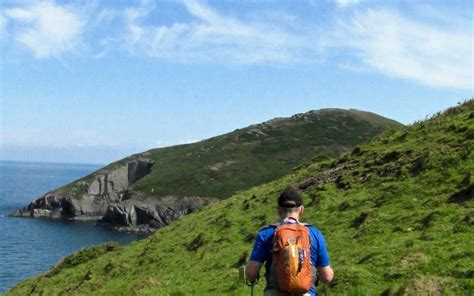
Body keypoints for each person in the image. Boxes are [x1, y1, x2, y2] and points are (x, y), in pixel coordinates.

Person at [246, 188, 334, 296]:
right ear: (301, 210)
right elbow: (327, 277)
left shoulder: (266, 234)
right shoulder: (315, 234)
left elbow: (251, 273)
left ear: (278, 210)